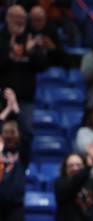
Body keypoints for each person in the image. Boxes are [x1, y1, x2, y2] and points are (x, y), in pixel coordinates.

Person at [0, 5, 47, 138]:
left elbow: (42, 67)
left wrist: (32, 52)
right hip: (2, 98)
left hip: (25, 99)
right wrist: (9, 55)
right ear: (8, 18)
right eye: (16, 17)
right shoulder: (1, 39)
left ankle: (25, 160)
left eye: (22, 18)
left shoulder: (30, 38)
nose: (20, 21)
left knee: (26, 132)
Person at [0, 116, 29, 221]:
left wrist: (17, 113)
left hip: (15, 205)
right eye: (6, 132)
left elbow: (28, 135)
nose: (9, 136)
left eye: (13, 132)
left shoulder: (22, 153)